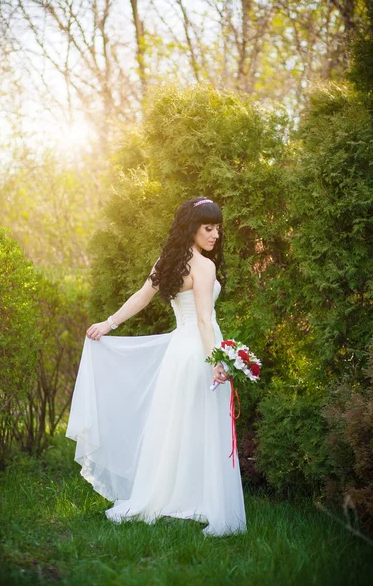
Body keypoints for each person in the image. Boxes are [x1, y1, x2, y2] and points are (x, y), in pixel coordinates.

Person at [66, 196, 247, 537]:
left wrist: (109, 323)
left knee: (177, 427)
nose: (215, 235)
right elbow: (206, 322)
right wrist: (216, 362)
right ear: (192, 228)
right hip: (199, 351)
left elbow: (141, 297)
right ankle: (200, 500)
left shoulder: (170, 262)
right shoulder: (204, 267)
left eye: (218, 228)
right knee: (200, 426)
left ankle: (174, 496)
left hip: (178, 353)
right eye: (208, 228)